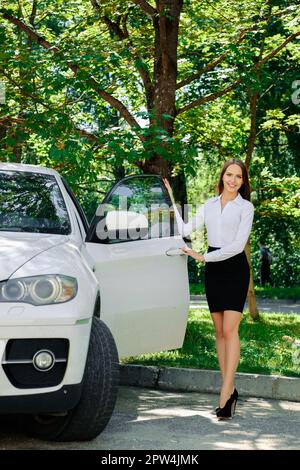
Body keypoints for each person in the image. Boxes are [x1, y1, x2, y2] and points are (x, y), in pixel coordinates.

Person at [163, 158, 254, 420]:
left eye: (238, 177)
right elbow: (185, 228)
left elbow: (238, 246)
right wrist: (170, 197)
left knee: (229, 330)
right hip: (214, 270)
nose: (233, 180)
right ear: (222, 177)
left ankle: (225, 393)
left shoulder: (246, 208)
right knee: (218, 331)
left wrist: (203, 257)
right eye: (229, 175)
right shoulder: (210, 205)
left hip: (235, 268)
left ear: (243, 181)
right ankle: (231, 389)